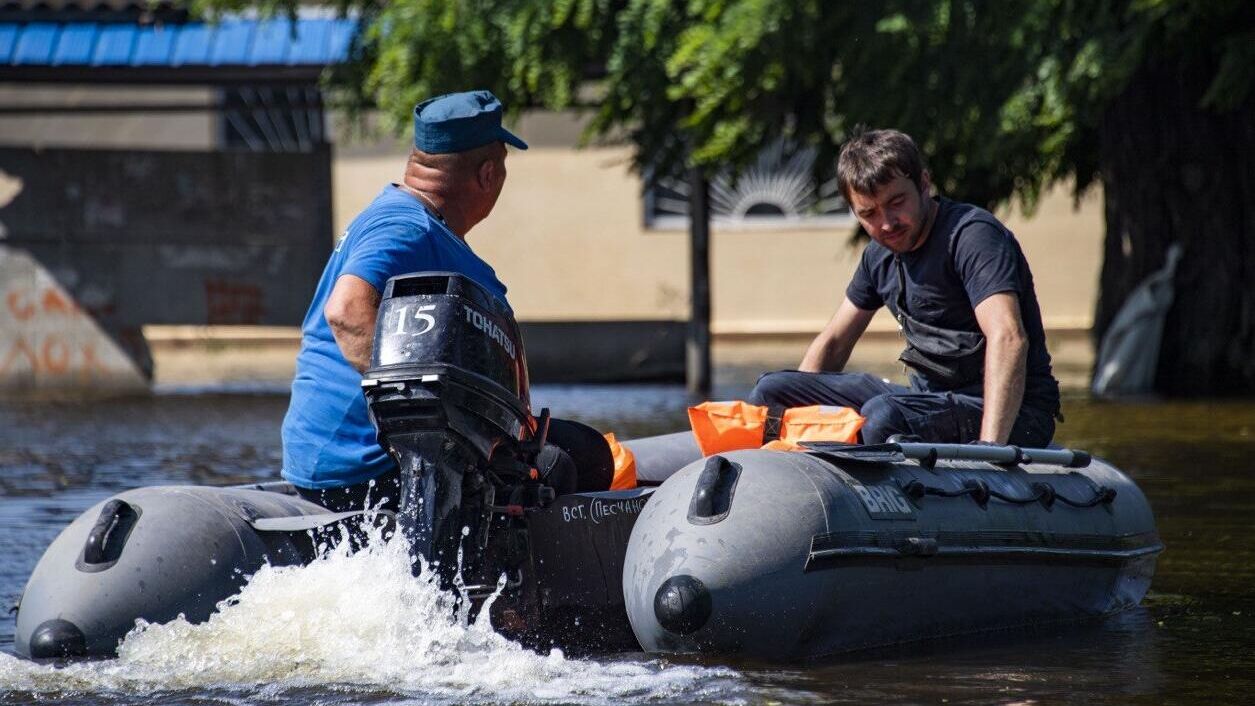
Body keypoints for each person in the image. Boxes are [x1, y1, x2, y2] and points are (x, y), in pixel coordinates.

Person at [281, 90, 609, 512]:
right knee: (577, 459)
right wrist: (423, 407)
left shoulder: (403, 217)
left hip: (327, 460)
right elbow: (346, 312)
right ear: (488, 174)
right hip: (365, 468)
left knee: (564, 448)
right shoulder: (404, 227)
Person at [748, 128, 1060, 447]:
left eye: (896, 202)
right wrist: (799, 413)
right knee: (772, 390)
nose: (886, 223)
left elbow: (1008, 336)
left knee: (882, 416)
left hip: (1017, 415)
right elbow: (834, 341)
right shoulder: (879, 255)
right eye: (868, 213)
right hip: (930, 402)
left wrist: (990, 453)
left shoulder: (972, 236)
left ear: (924, 184)